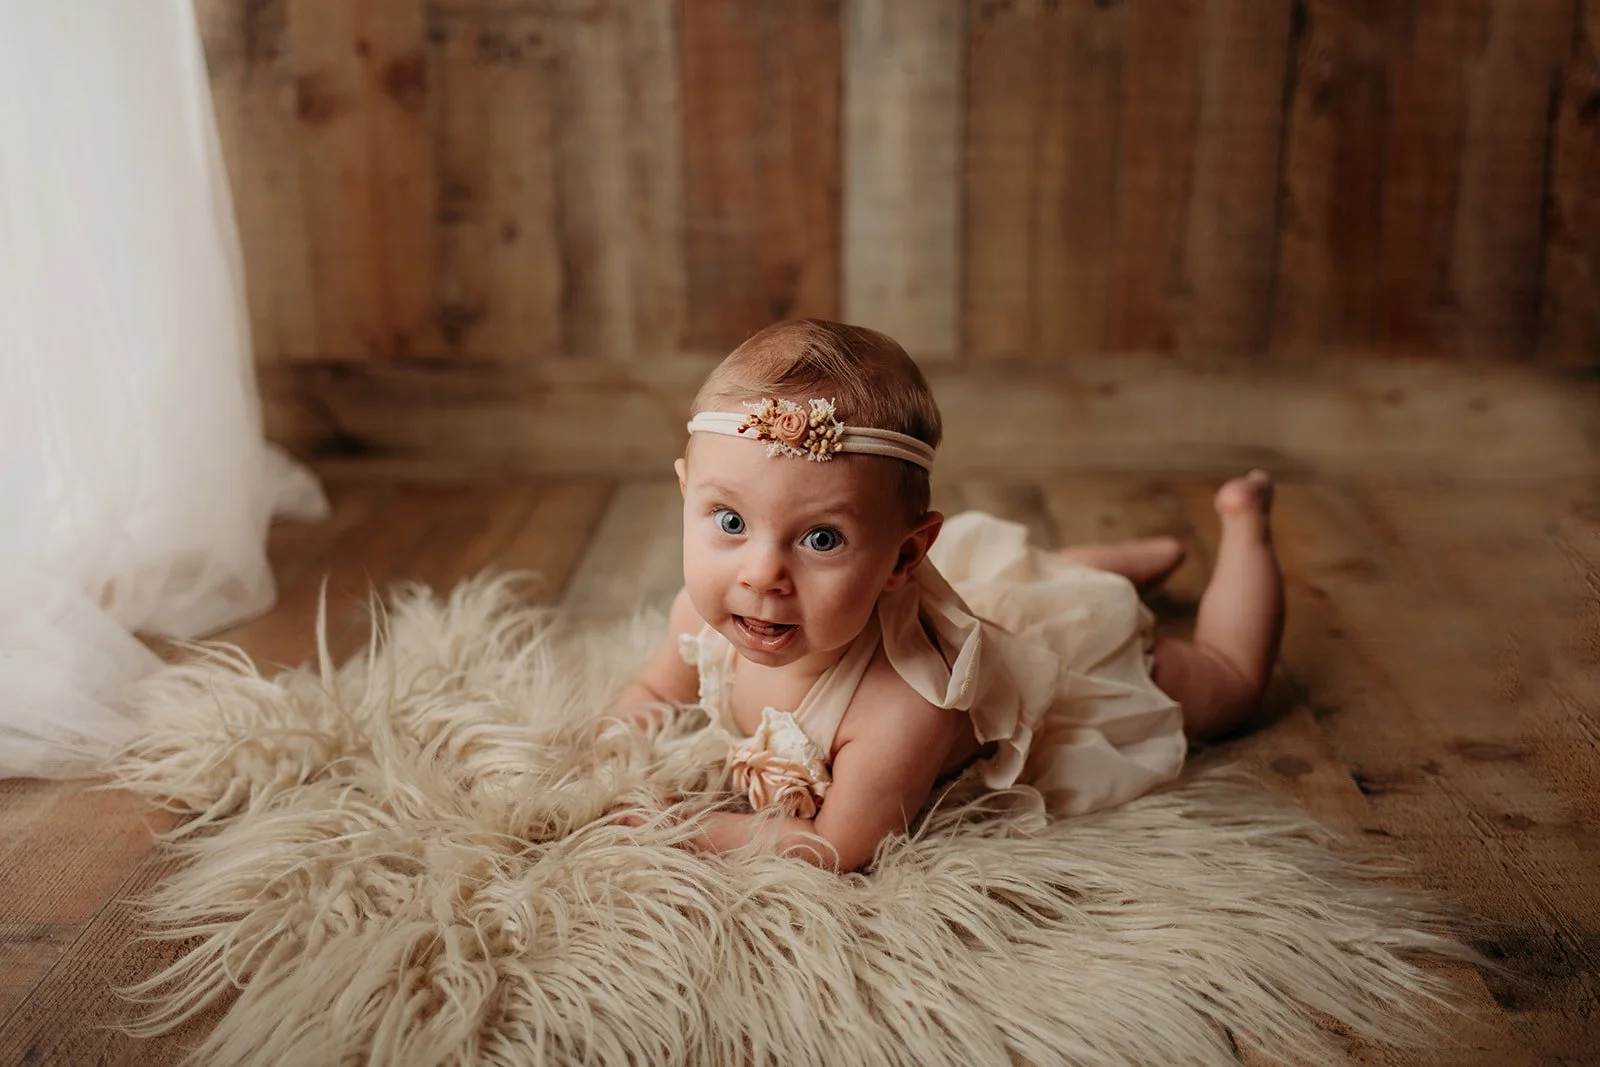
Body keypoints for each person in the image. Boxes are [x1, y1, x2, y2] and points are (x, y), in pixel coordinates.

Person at [608, 319, 1284, 873]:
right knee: (1021, 580)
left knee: (1226, 684)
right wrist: (602, 751)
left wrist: (693, 828)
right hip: (977, 597)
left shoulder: (906, 705)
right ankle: (1113, 564)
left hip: (1063, 679)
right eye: (730, 522)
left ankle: (1242, 518)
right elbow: (649, 693)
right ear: (684, 495)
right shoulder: (698, 612)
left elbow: (837, 844)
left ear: (905, 556)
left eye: (819, 539)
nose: (762, 575)